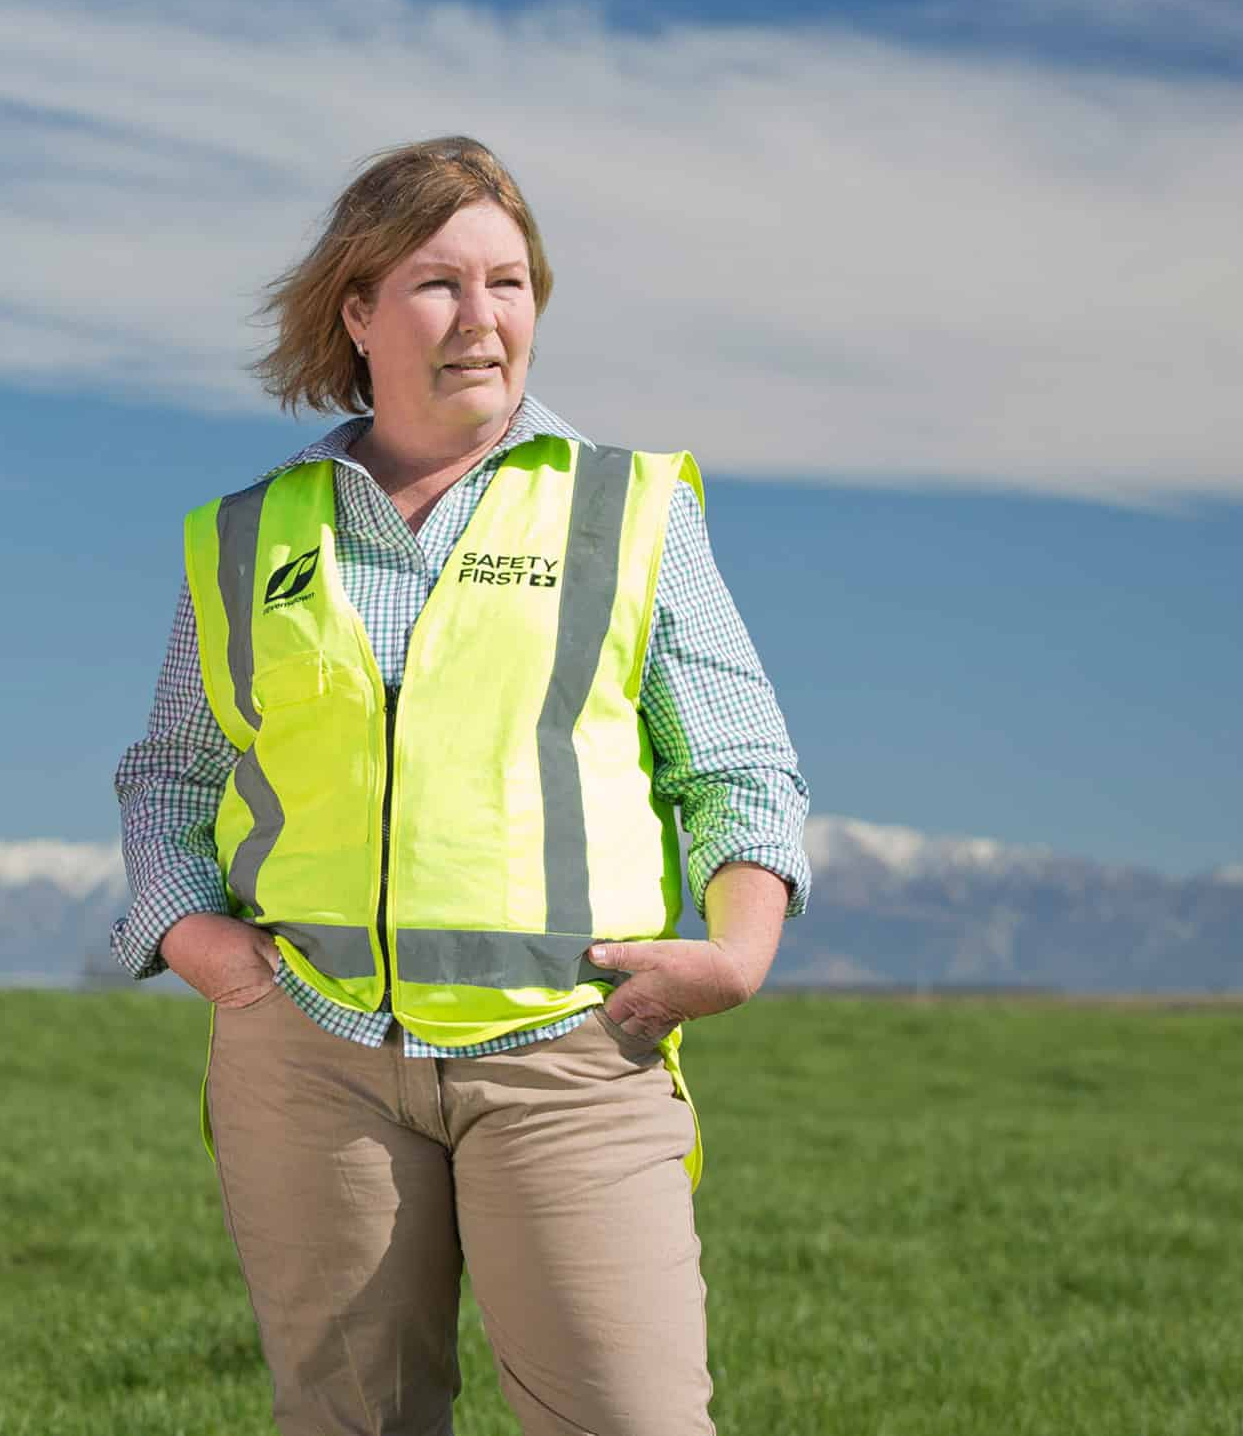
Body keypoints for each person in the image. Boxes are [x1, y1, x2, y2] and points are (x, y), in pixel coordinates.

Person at [114, 136, 811, 1435]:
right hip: (309, 1053)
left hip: (572, 1045)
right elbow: (170, 771)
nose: (482, 318)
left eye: (510, 282)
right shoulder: (249, 533)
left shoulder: (632, 509)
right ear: (360, 311)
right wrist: (197, 939)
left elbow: (739, 761)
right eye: (438, 283)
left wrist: (740, 950)